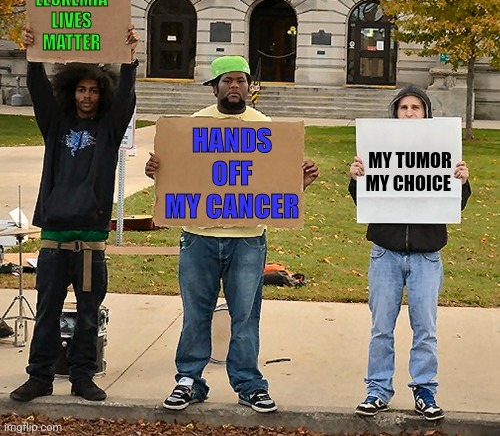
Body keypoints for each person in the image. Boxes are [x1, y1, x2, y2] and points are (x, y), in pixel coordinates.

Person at [145, 56, 319, 413]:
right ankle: (189, 379)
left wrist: (297, 184)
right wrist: (159, 173)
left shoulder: (265, 127)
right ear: (215, 87)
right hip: (198, 236)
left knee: (245, 315)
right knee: (196, 312)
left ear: (249, 86)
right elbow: (178, 177)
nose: (235, 86)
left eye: (241, 80)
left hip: (248, 239)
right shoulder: (193, 127)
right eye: (227, 81)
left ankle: (249, 384)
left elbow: (270, 182)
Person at [10, 25, 140, 402]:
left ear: (102, 94)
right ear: (72, 92)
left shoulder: (109, 128)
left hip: (90, 242)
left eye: (94, 90)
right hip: (53, 239)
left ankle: (83, 376)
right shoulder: (55, 125)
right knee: (47, 312)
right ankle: (40, 377)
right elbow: (38, 92)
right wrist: (32, 57)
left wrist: (129, 59)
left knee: (87, 313)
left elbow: (127, 99)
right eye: (81, 90)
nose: (87, 96)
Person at [348, 86, 471, 421]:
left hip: (426, 256)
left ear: (426, 113)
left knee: (425, 328)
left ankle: (425, 389)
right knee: (381, 327)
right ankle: (377, 390)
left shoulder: (443, 151)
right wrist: (358, 178)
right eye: (403, 107)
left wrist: (462, 181)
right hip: (385, 253)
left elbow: (453, 205)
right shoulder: (378, 149)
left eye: (416, 107)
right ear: (395, 112)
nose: (409, 112)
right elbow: (366, 202)